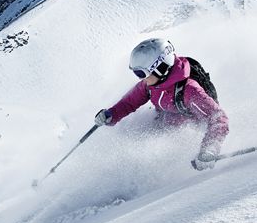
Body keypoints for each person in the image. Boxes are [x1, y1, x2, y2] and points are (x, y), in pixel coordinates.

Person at [95, 38, 229, 170]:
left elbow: (219, 118)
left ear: (160, 68)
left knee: (148, 156)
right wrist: (111, 114)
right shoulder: (151, 84)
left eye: (141, 73)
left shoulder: (189, 90)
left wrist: (209, 149)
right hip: (162, 123)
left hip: (184, 135)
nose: (141, 78)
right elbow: (129, 102)